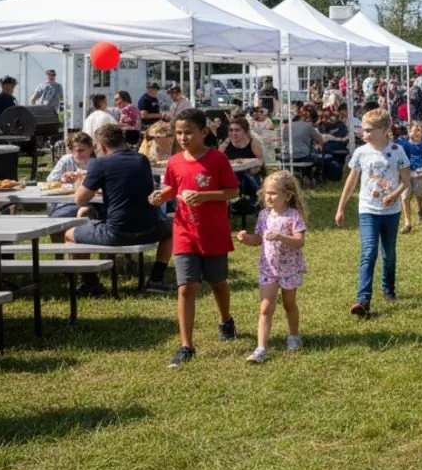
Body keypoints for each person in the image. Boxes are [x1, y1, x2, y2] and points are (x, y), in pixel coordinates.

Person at [151, 108, 241, 369]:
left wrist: (205, 196)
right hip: (184, 231)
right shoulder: (175, 161)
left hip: (213, 231)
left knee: (218, 282)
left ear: (204, 132)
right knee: (186, 287)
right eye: (178, 132)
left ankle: (226, 319)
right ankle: (186, 345)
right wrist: (161, 196)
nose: (182, 137)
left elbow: (232, 190)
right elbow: (173, 188)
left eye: (188, 132)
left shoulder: (217, 160)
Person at [65, 123, 175, 297]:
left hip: (117, 233)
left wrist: (81, 182)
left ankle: (90, 283)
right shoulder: (141, 160)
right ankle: (157, 277)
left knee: (70, 234)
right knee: (173, 227)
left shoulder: (100, 163)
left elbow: (80, 199)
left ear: (101, 146)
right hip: (149, 229)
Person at [335, 108, 407, 317]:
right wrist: (341, 207)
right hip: (367, 209)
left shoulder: (397, 150)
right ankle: (363, 299)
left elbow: (406, 181)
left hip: (391, 211)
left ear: (385, 130)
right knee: (369, 252)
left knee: (389, 253)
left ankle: (388, 288)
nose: (364, 134)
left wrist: (394, 195)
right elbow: (351, 181)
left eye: (369, 130)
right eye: (363, 130)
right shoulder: (360, 152)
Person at [236, 171, 307, 363]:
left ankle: (293, 335)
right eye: (267, 192)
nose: (269, 197)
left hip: (289, 269)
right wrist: (246, 239)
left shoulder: (294, 216)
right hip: (269, 269)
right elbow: (258, 239)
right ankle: (261, 348)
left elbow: (300, 242)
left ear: (287, 196)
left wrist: (281, 237)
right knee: (265, 307)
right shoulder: (263, 215)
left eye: (274, 193)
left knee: (289, 304)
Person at [222, 115, 266, 202]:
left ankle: (255, 198)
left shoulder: (253, 142)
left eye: (237, 130)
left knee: (248, 174)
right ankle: (233, 199)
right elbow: (219, 161)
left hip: (251, 173)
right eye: (231, 130)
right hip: (232, 173)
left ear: (245, 131)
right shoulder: (226, 143)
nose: (233, 133)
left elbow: (261, 161)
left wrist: (250, 164)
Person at [397, 121, 422, 231]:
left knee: (418, 195)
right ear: (409, 131)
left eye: (419, 131)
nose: (417, 133)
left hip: (419, 174)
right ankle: (407, 222)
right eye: (414, 131)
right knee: (404, 197)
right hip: (406, 174)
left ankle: (420, 210)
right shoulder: (403, 144)